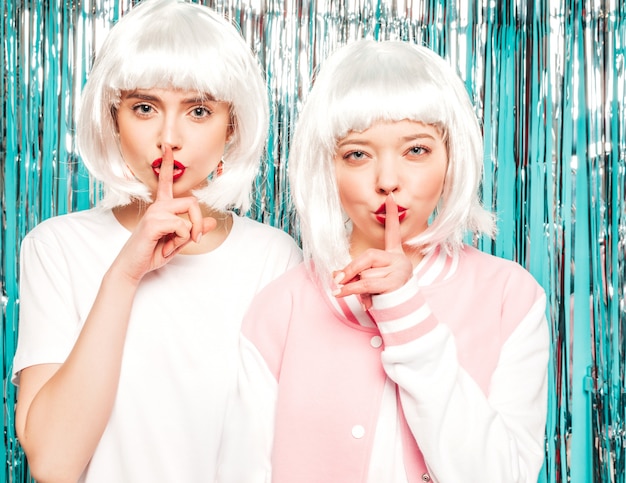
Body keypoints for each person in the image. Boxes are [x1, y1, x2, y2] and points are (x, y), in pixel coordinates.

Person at [227, 40, 550, 482]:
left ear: (452, 157)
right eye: (357, 154)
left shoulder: (511, 298)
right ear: (327, 167)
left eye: (416, 150)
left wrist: (406, 311)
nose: (388, 181)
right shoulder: (279, 307)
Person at [11, 0, 302, 481]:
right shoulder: (56, 247)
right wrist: (124, 274)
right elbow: (53, 464)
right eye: (144, 107)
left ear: (231, 126)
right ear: (113, 118)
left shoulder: (273, 257)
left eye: (199, 110)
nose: (169, 137)